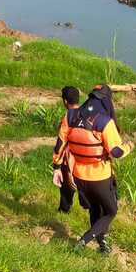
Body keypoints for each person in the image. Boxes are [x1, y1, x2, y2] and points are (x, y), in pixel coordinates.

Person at [52, 84, 133, 254]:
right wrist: (130, 146)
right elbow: (116, 152)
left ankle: (103, 245)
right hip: (100, 177)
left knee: (96, 209)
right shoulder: (105, 121)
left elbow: (60, 145)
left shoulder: (70, 116)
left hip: (79, 176)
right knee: (111, 211)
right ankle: (84, 240)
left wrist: (57, 168)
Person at [53, 85, 82, 213]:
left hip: (69, 159)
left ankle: (64, 211)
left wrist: (56, 165)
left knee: (66, 188)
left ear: (65, 101)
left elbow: (61, 142)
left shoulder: (68, 117)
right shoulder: (87, 113)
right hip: (86, 157)